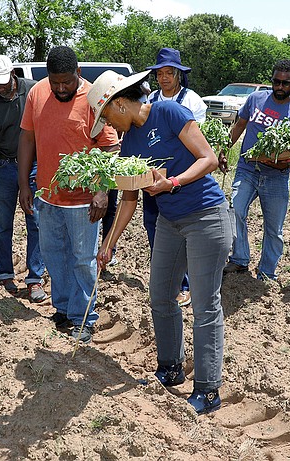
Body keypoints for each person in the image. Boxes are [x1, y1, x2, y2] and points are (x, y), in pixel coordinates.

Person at [91, 70, 229, 415]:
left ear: (120, 104)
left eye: (107, 117)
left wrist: (173, 183)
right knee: (161, 295)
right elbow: (128, 199)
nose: (109, 125)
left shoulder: (170, 112)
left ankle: (208, 390)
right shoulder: (130, 143)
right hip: (169, 221)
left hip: (206, 216)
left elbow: (208, 159)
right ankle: (170, 367)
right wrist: (109, 243)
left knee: (204, 303)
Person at [18, 46, 119, 344]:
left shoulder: (93, 99)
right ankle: (63, 308)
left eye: (67, 82)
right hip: (48, 196)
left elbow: (111, 148)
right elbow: (27, 137)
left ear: (79, 74)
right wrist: (25, 184)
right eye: (55, 82)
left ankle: (84, 316)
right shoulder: (37, 94)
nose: (61, 88)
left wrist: (102, 191)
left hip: (84, 201)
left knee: (83, 259)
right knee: (53, 255)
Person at [220, 59, 290, 281]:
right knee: (236, 210)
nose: (279, 87)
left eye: (285, 83)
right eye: (276, 81)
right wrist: (223, 150)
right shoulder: (256, 99)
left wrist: (284, 163)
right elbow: (239, 126)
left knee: (274, 228)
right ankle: (239, 259)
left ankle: (267, 271)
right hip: (248, 169)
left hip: (276, 176)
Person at [0, 55, 46, 301]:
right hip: (5, 166)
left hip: (35, 166)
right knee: (3, 223)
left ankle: (35, 279)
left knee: (34, 220)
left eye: (4, 82)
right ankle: (5, 274)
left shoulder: (34, 91)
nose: (1, 87)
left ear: (13, 73)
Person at [145, 48, 208, 307]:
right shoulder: (150, 100)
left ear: (179, 75)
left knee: (184, 232)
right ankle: (167, 280)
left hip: (183, 178)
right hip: (154, 176)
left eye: (169, 73)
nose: (164, 78)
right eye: (159, 74)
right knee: (153, 226)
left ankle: (187, 285)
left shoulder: (193, 101)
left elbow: (200, 143)